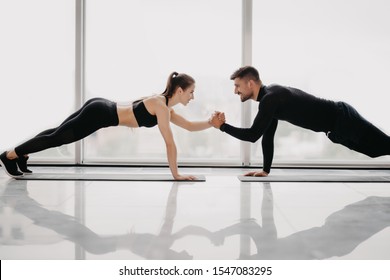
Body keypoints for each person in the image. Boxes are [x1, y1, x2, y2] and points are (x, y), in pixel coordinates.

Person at [0, 72, 213, 180]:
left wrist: (212, 123)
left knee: (56, 133)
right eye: (191, 92)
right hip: (100, 113)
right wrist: (176, 174)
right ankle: (9, 155)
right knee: (57, 137)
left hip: (101, 107)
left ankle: (21, 154)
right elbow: (170, 144)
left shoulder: (165, 107)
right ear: (179, 91)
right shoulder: (161, 107)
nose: (193, 96)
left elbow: (189, 126)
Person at [209, 66, 390, 177]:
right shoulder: (269, 98)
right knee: (375, 151)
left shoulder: (270, 98)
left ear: (250, 84)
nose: (235, 91)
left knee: (384, 146)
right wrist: (265, 170)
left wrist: (223, 127)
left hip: (343, 118)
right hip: (336, 129)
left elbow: (252, 135)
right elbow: (266, 136)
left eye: (237, 86)